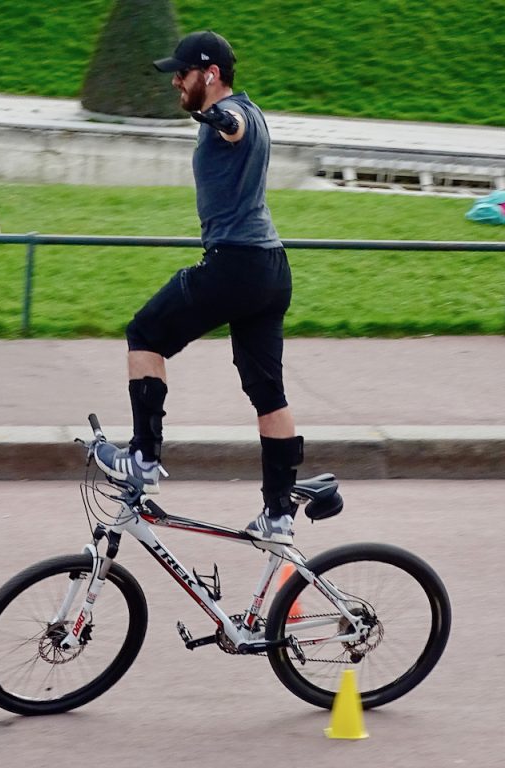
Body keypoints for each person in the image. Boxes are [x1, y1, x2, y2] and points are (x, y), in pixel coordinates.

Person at [92, 30, 304, 544]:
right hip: (270, 270)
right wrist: (218, 117)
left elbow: (236, 128)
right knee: (267, 394)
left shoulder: (235, 116)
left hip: (236, 265)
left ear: (209, 75)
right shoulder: (247, 111)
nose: (174, 83)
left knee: (144, 332)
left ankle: (142, 457)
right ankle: (278, 514)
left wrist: (220, 119)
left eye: (181, 74)